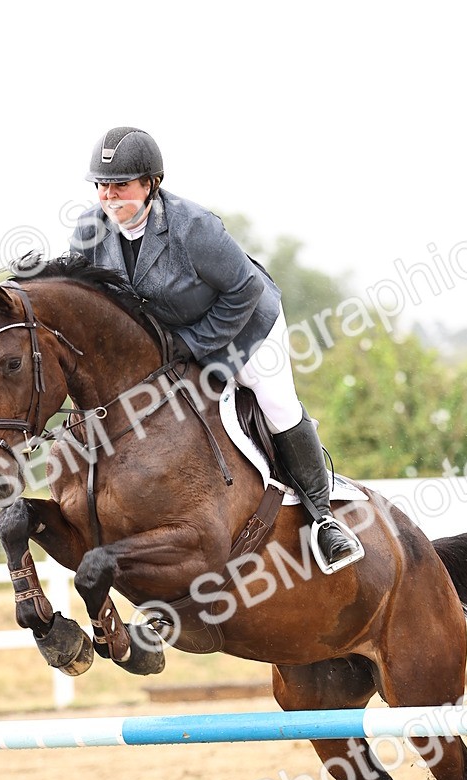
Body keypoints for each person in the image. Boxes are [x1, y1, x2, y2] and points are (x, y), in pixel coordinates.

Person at [68, 125, 361, 571]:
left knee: (275, 403)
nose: (109, 197)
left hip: (245, 326)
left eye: (120, 185)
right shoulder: (90, 230)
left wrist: (194, 344)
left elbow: (242, 290)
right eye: (102, 186)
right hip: (171, 339)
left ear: (150, 184)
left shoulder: (194, 228)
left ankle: (323, 519)